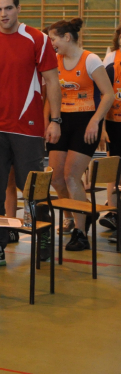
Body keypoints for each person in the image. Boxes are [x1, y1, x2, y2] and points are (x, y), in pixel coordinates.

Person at [0, 0, 61, 268]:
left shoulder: (38, 39)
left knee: (32, 188)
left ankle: (43, 236)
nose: (4, 14)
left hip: (28, 128)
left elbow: (52, 81)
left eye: (8, 8)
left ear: (18, 9)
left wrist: (55, 119)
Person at [47, 18, 113, 251]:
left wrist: (96, 122)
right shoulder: (54, 61)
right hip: (61, 121)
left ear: (67, 37)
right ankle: (80, 212)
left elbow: (108, 94)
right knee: (56, 178)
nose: (51, 43)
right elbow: (50, 95)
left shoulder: (90, 59)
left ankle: (81, 232)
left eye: (53, 39)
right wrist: (50, 122)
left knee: (71, 176)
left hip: (85, 123)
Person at [101, 24, 121, 238]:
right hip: (115, 123)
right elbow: (103, 96)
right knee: (114, 169)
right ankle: (114, 212)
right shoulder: (111, 61)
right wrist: (102, 127)